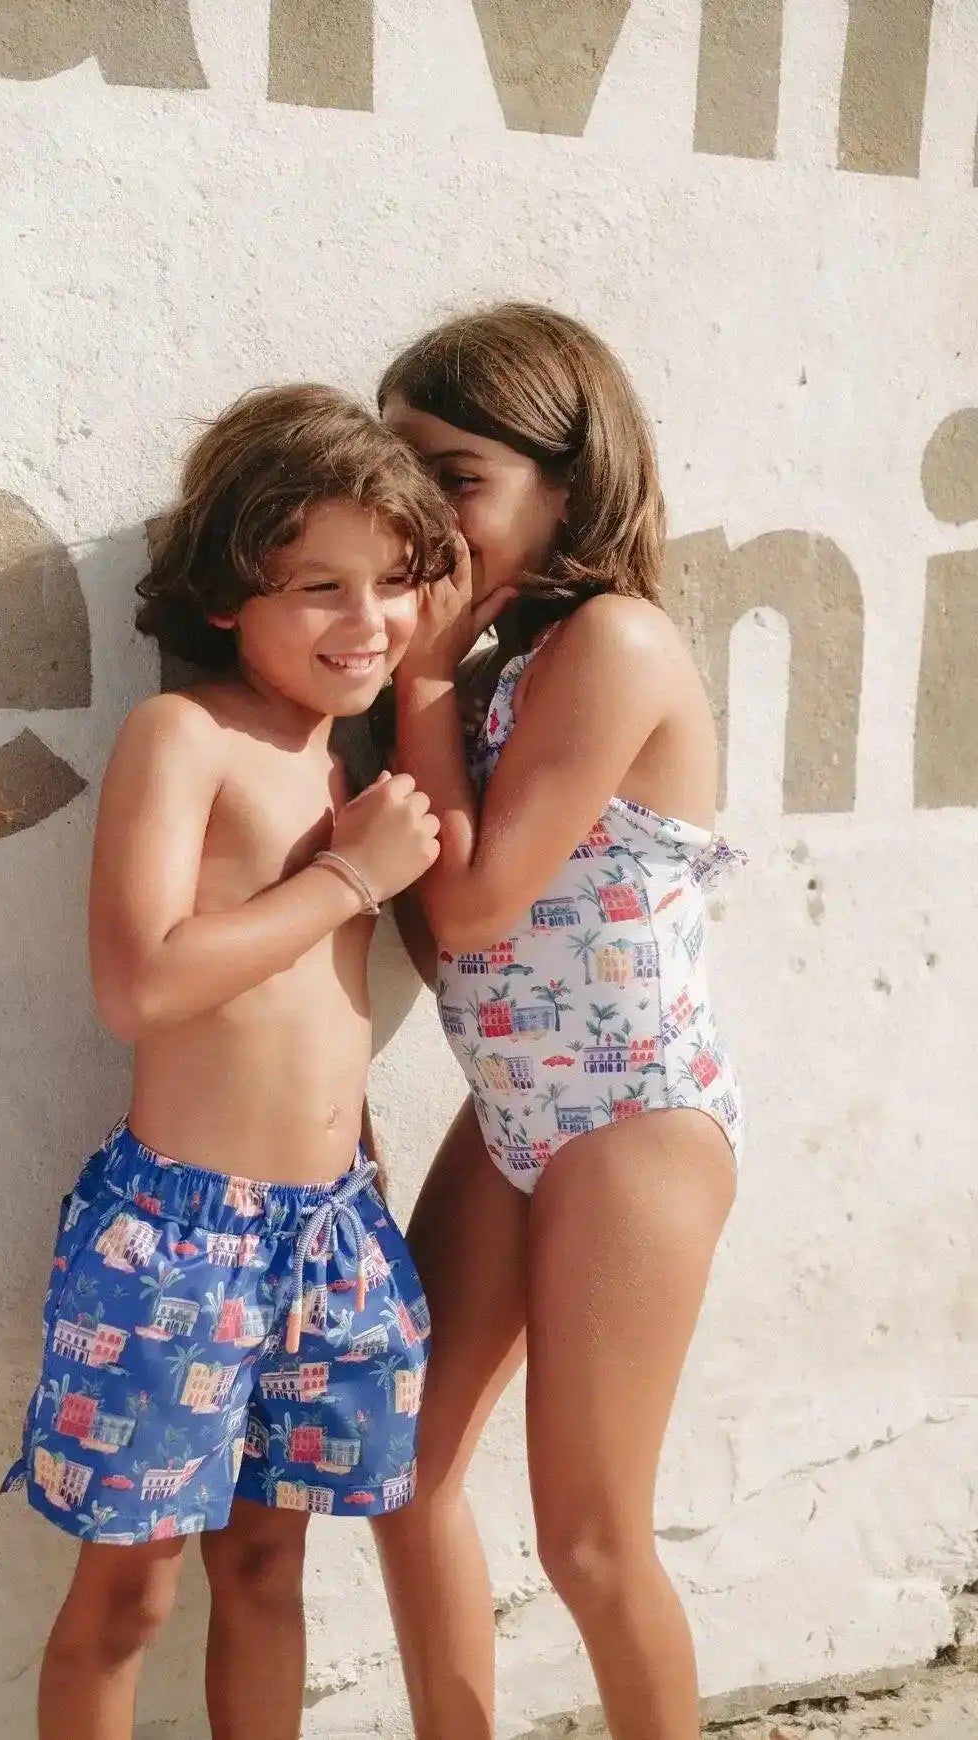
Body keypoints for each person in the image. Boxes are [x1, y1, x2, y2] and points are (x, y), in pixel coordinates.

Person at [2, 385, 453, 1740]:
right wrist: (349, 880)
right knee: (128, 1599)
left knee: (268, 1567)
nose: (363, 619)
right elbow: (139, 984)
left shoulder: (349, 761)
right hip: (180, 1242)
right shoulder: (185, 739)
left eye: (393, 581)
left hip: (330, 1230)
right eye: (318, 584)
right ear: (223, 595)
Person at [370, 304, 745, 1740]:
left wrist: (414, 690)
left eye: (455, 477)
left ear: (570, 483)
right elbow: (438, 920)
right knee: (399, 1467)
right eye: (399, 476)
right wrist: (423, 697)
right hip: (515, 1112)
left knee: (590, 1540)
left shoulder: (617, 641)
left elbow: (463, 914)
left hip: (633, 1118)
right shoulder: (489, 677)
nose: (423, 514)